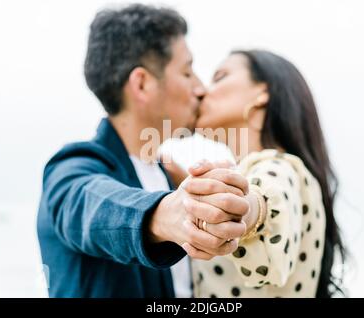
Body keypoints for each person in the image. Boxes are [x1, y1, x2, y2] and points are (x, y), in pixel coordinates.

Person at [37, 4, 249, 298]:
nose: (201, 88)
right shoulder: (72, 168)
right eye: (187, 72)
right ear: (142, 83)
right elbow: (90, 206)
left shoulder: (170, 176)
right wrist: (167, 215)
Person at [167, 50, 346, 297]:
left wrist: (246, 209)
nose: (202, 91)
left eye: (220, 77)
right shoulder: (272, 171)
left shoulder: (281, 167)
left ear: (263, 93)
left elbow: (265, 202)